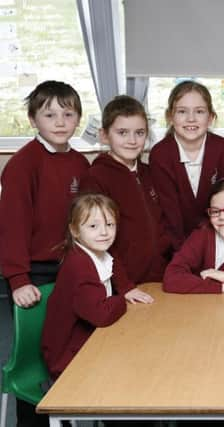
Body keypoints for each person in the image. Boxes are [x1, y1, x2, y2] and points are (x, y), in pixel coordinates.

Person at [0, 80, 89, 427]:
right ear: (33, 119)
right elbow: (12, 227)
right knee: (34, 361)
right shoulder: (23, 165)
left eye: (68, 114)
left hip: (71, 273)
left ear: (78, 118)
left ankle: (64, 418)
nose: (59, 121)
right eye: (49, 114)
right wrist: (18, 279)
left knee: (65, 352)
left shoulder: (81, 163)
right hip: (33, 275)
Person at [41, 193, 153, 379]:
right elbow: (101, 315)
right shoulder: (79, 265)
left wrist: (126, 288)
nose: (104, 232)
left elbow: (113, 264)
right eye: (93, 226)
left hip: (91, 339)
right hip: (68, 358)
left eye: (110, 225)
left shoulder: (95, 252)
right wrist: (119, 300)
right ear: (74, 230)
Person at [80, 95, 172, 283]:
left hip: (158, 278)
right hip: (122, 284)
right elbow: (95, 242)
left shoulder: (150, 173)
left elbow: (164, 224)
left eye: (139, 133)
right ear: (104, 135)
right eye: (122, 133)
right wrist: (123, 285)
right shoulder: (96, 178)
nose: (132, 140)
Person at [150, 80, 224, 248]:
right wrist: (186, 255)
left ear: (211, 117)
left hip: (220, 241)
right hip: (176, 246)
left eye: (199, 111)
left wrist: (216, 247)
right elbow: (170, 215)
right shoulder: (160, 154)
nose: (191, 119)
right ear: (170, 117)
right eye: (182, 111)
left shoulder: (223, 149)